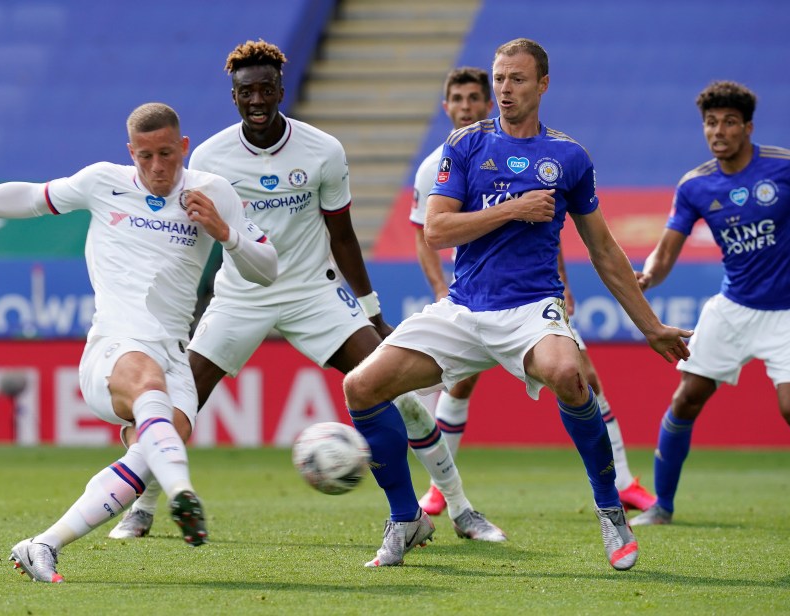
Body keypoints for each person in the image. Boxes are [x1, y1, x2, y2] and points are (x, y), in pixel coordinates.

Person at [107, 39, 505, 567]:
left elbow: (343, 237)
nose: (256, 99)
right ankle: (144, 504)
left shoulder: (322, 150)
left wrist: (371, 310)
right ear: (233, 96)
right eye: (245, 91)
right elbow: (197, 240)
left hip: (314, 292)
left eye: (265, 89)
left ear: (280, 90)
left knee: (394, 390)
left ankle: (458, 508)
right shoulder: (209, 157)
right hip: (240, 295)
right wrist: (189, 309)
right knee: (180, 400)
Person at [343, 38, 693, 572]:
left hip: (531, 309)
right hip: (463, 309)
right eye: (500, 78)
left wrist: (650, 327)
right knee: (360, 386)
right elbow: (436, 230)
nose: (505, 89)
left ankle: (609, 508)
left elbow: (603, 249)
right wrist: (513, 208)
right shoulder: (464, 146)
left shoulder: (569, 157)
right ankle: (405, 516)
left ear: (543, 85)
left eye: (517, 79)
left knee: (570, 375)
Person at [0, 103, 279, 583]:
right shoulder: (104, 181)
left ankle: (43, 544)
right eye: (146, 156)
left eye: (167, 154)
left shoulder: (213, 193)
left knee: (156, 442)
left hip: (173, 356)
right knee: (148, 388)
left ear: (184, 148)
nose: (157, 167)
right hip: (113, 348)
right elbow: (30, 198)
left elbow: (266, 269)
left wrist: (225, 234)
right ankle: (183, 492)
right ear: (131, 152)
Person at [410, 67, 657, 517]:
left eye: (473, 98)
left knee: (582, 375)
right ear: (446, 106)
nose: (466, 106)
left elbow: (549, 226)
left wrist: (561, 282)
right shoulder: (438, 163)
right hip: (468, 299)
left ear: (488, 103)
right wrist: (442, 290)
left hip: (529, 297)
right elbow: (425, 234)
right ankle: (438, 488)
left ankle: (621, 481)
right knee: (457, 385)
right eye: (457, 99)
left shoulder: (552, 154)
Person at [631, 81, 790, 526]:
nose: (718, 130)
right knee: (687, 397)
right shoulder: (695, 185)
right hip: (733, 308)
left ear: (747, 127)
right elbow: (668, 248)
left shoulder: (789, 168)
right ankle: (662, 506)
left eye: (729, 122)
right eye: (711, 123)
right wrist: (650, 274)